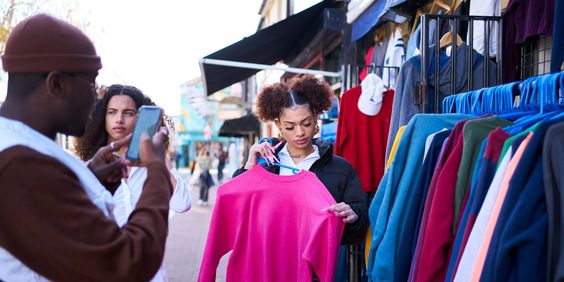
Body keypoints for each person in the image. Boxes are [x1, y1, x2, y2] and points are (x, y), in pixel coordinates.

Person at [0, 14, 172, 281]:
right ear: (57, 84)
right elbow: (128, 263)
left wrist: (89, 178)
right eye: (92, 85)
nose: (96, 98)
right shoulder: (20, 165)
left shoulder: (18, 145)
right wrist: (157, 171)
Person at [73, 84, 192, 281]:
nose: (119, 119)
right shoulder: (90, 168)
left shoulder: (153, 165)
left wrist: (160, 157)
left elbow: (182, 203)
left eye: (128, 112)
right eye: (112, 112)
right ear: (102, 117)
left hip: (150, 273)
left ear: (140, 119)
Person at [233, 75, 369, 245]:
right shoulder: (266, 164)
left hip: (316, 265)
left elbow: (360, 227)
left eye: (306, 123)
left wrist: (353, 216)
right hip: (267, 260)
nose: (299, 132)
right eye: (290, 126)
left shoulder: (341, 168)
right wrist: (248, 168)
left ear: (316, 117)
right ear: (279, 125)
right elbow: (235, 210)